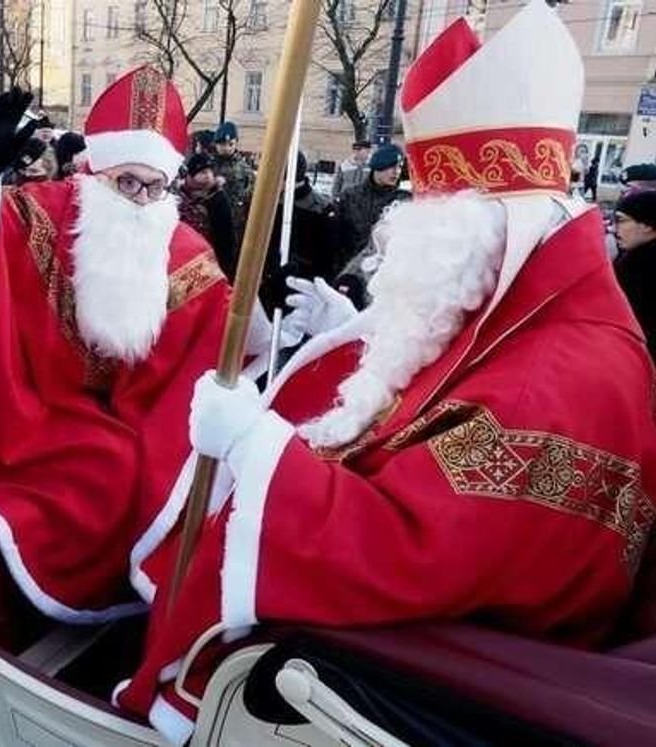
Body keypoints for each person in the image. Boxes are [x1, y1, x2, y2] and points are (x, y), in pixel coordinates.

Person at [115, 5, 656, 741]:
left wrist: (256, 447)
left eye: (430, 208)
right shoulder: (542, 304)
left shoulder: (566, 375)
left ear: (483, 220)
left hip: (434, 673)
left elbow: (416, 548)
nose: (410, 228)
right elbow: (447, 401)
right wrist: (349, 330)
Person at [0, 69, 270, 624]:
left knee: (195, 471)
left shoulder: (176, 242)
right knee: (102, 468)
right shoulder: (40, 211)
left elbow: (228, 329)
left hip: (127, 411)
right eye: (128, 183)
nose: (142, 201)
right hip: (34, 404)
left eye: (156, 188)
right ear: (94, 170)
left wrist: (272, 330)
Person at [259, 151, 341, 315]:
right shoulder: (269, 202)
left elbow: (328, 260)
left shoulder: (321, 209)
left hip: (302, 291)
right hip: (269, 286)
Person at [334, 141, 411, 283]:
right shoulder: (350, 196)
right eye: (391, 166)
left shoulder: (404, 201)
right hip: (350, 274)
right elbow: (337, 240)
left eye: (399, 167)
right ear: (378, 166)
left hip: (386, 278)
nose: (396, 172)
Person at [612, 189, 656, 362]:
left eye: (621, 221)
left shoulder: (636, 269)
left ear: (647, 225)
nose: (614, 229)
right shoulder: (632, 261)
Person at [178, 152, 236, 278]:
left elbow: (226, 240)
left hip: (210, 264)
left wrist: (224, 270)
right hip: (182, 263)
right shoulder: (178, 198)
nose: (208, 176)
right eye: (203, 172)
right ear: (190, 175)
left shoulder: (218, 198)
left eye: (210, 171)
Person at [211, 120, 256, 246]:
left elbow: (252, 194)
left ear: (236, 144)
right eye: (222, 144)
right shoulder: (209, 166)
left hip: (236, 223)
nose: (226, 148)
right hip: (212, 220)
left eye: (230, 144)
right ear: (216, 144)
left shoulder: (244, 169)